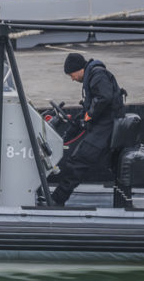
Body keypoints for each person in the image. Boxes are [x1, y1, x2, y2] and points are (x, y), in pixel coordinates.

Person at [49, 52, 126, 206]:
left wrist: (89, 114)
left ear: (79, 69)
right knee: (76, 156)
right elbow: (92, 104)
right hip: (102, 125)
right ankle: (57, 197)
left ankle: (57, 200)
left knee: (78, 162)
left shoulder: (97, 75)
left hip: (107, 126)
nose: (72, 78)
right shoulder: (91, 76)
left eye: (72, 74)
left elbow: (104, 97)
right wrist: (74, 126)